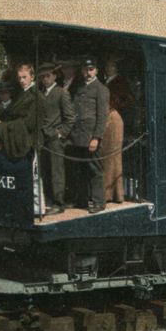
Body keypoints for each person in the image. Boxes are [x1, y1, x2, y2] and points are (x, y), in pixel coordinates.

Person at [67, 57, 110, 214]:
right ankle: (81, 200)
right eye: (85, 69)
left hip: (90, 136)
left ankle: (99, 202)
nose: (87, 73)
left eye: (91, 69)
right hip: (77, 136)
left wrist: (96, 137)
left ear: (96, 70)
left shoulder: (101, 89)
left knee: (95, 169)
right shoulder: (77, 88)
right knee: (79, 169)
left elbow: (102, 117)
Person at [38, 62, 76, 215]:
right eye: (42, 77)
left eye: (48, 76)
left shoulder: (61, 93)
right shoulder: (40, 93)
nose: (45, 79)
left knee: (57, 172)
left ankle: (58, 203)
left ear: (54, 76)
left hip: (54, 139)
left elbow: (70, 118)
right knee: (44, 170)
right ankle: (47, 201)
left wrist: (60, 133)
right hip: (42, 138)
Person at [0, 64, 45, 160]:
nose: (21, 80)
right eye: (19, 78)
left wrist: (3, 126)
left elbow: (30, 123)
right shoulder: (23, 93)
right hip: (20, 140)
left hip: (29, 144)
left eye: (24, 77)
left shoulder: (36, 96)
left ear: (32, 77)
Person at [101, 56, 136, 204]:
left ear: (116, 68)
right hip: (104, 120)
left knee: (113, 156)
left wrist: (115, 106)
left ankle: (115, 194)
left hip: (115, 120)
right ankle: (105, 192)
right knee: (104, 156)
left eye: (112, 66)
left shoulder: (120, 82)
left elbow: (129, 100)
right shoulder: (104, 82)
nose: (109, 69)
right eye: (107, 66)